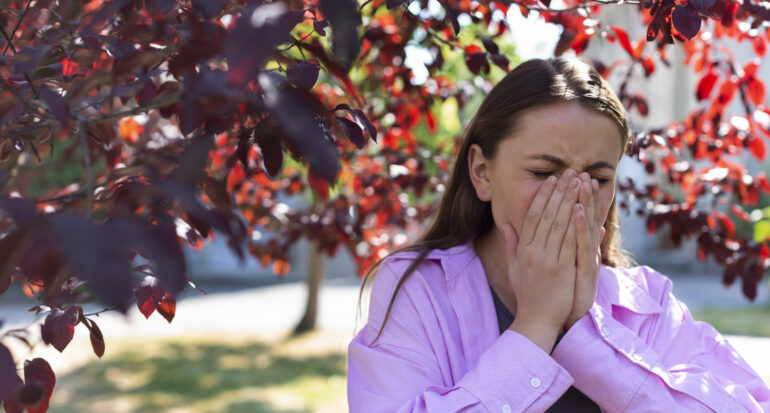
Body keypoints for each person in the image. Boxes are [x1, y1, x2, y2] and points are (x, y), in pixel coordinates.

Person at [346, 57, 770, 412]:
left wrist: (585, 335)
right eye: (543, 173)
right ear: (482, 172)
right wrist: (536, 325)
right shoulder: (415, 290)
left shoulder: (647, 303)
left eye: (598, 178)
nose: (574, 197)